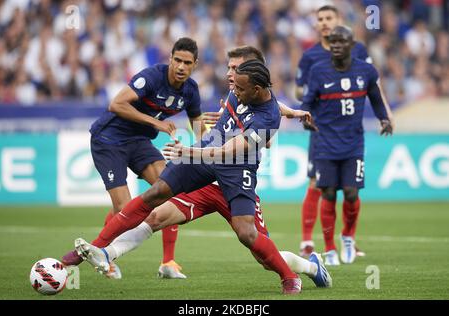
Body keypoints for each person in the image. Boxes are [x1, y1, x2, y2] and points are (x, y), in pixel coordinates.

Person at [78, 46, 331, 289]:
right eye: (229, 67)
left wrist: (190, 151)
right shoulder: (241, 90)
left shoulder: (263, 115)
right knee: (155, 211)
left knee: (260, 251)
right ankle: (104, 252)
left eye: (235, 68)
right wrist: (293, 112)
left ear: (254, 80)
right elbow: (269, 106)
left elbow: (233, 147)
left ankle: (309, 268)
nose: (229, 74)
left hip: (234, 175)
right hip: (207, 179)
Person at [61, 37, 206, 279]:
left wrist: (206, 150)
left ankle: (168, 262)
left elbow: (197, 122)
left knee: (171, 189)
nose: (181, 66)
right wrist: (156, 123)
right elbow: (116, 104)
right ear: (170, 59)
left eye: (187, 62)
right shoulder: (151, 77)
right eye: (177, 60)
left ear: (195, 64)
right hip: (109, 140)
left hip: (139, 142)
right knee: (125, 210)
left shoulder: (191, 90)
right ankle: (105, 257)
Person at [295, 4, 393, 258]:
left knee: (350, 191)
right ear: (316, 25)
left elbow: (373, 86)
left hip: (350, 134)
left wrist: (385, 115)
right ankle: (310, 241)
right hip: (322, 132)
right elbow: (300, 92)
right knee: (319, 185)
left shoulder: (360, 54)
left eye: (329, 18)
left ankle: (349, 238)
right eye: (321, 19)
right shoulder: (311, 58)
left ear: (340, 21)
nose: (325, 23)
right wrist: (306, 107)